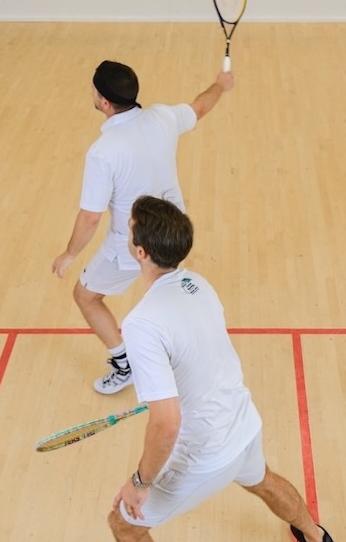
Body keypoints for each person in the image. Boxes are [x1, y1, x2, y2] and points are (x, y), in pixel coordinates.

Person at [108, 195, 335, 542]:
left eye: (130, 229)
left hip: (205, 454)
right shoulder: (197, 283)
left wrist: (140, 484)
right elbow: (197, 357)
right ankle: (315, 536)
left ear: (141, 252)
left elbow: (167, 423)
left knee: (124, 524)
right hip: (243, 424)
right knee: (263, 480)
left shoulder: (141, 324)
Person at [52, 60, 234, 395]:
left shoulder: (103, 152)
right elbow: (199, 106)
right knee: (166, 290)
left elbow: (91, 216)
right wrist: (220, 84)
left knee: (86, 295)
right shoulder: (163, 116)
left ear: (104, 102)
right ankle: (186, 355)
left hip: (134, 246)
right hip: (175, 230)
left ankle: (125, 365)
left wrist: (69, 254)